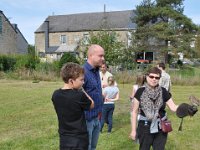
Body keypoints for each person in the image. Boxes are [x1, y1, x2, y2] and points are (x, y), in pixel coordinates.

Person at [129, 67, 179, 150]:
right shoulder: (140, 91)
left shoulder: (163, 91)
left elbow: (173, 107)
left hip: (161, 127)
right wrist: (133, 130)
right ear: (147, 77)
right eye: (151, 77)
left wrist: (185, 107)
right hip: (144, 126)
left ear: (159, 78)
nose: (154, 79)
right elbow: (134, 112)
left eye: (157, 77)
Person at [51, 62, 94, 150]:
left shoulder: (55, 95)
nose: (83, 82)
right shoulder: (79, 95)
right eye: (81, 80)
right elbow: (91, 104)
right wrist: (82, 90)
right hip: (79, 139)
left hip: (64, 139)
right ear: (71, 81)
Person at [83, 44, 105, 150]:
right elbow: (77, 94)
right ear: (91, 55)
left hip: (97, 117)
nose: (103, 59)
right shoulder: (82, 72)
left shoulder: (96, 71)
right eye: (100, 56)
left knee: (93, 147)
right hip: (87, 119)